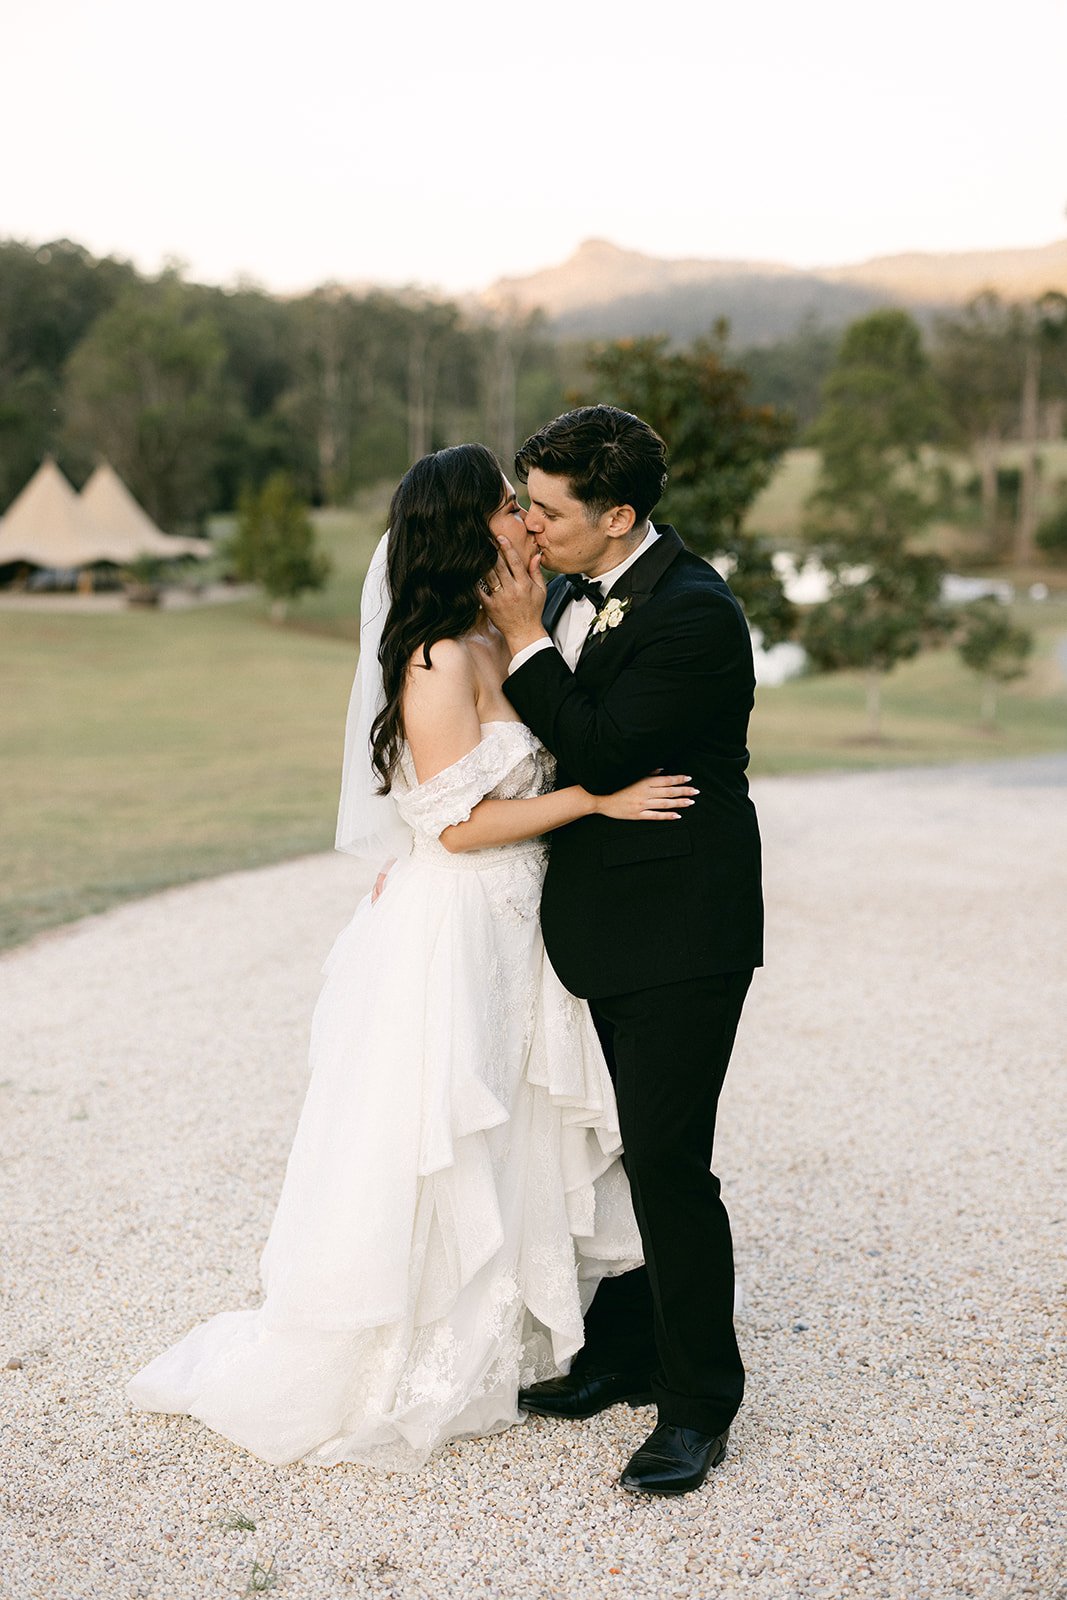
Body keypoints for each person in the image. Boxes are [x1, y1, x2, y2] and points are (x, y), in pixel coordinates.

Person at [126, 443, 696, 1472]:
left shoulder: (502, 630)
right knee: (445, 1123)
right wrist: (594, 799)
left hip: (519, 922)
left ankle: (516, 1333)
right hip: (460, 921)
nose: (525, 519)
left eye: (528, 506)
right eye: (505, 507)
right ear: (463, 527)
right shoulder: (435, 655)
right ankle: (407, 1352)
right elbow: (454, 825)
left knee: (513, 1120)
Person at [481, 405, 763, 1497]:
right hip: (593, 926)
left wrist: (518, 641)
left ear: (618, 516)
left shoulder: (696, 614)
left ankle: (697, 1406)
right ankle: (621, 1354)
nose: (530, 528)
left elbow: (593, 744)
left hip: (681, 934)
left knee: (667, 1162)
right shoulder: (565, 585)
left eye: (545, 510)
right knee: (605, 1150)